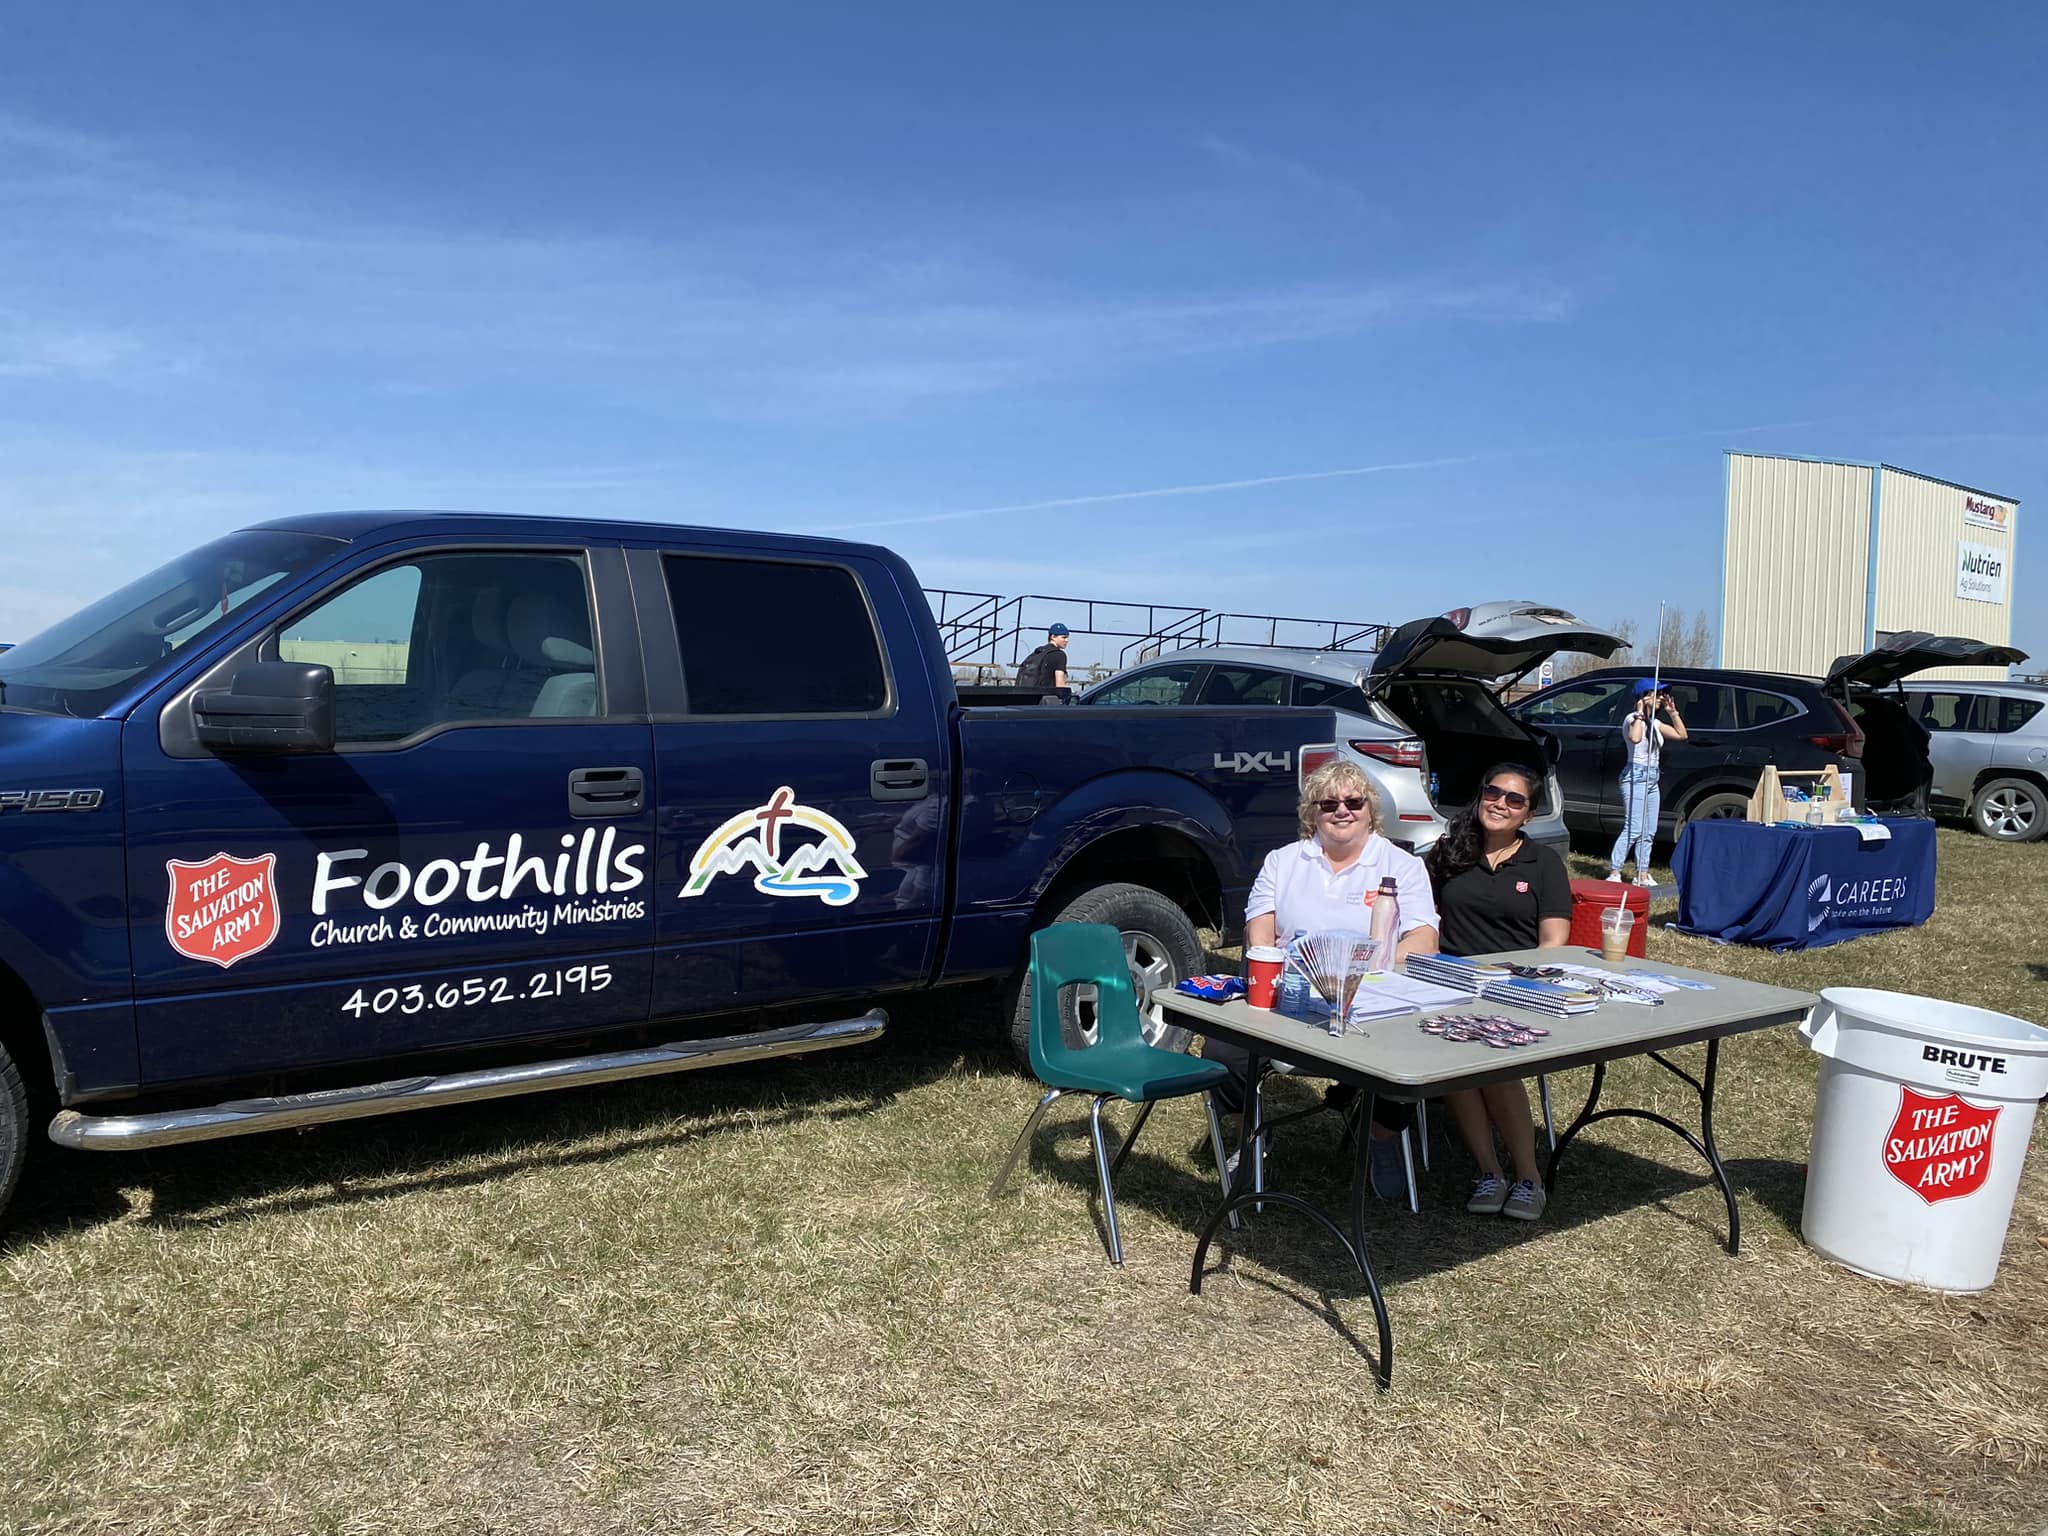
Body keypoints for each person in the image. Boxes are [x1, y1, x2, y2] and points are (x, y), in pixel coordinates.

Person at [1211, 758, 1441, 1197]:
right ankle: (1253, 1132)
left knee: (1410, 1051)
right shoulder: (1283, 861)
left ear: (1371, 810)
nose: (1342, 811)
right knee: (1223, 1050)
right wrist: (1281, 966)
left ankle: (1380, 1136)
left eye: (1353, 802)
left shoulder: (1401, 865)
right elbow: (1259, 931)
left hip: (1370, 999)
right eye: (1328, 803)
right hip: (1293, 997)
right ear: (1311, 812)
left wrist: (1368, 970)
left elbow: (1424, 939)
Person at [1424, 764, 1573, 1221]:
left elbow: (1554, 943)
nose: (1500, 804)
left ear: (1529, 814)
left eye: (1515, 799)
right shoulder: (1448, 853)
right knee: (1458, 1062)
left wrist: (1513, 985)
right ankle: (1490, 1172)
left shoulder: (1543, 863)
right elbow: (1419, 918)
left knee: (1492, 1063)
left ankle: (1529, 1178)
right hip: (1450, 987)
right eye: (1493, 792)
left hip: (1515, 989)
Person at [1608, 678, 1687, 886]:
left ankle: (1642, 874)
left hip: (1652, 778)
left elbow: (1681, 735)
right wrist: (1640, 712)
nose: (1660, 697)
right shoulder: (1632, 719)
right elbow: (1635, 738)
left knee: (1649, 830)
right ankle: (1615, 871)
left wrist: (1673, 713)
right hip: (1635, 776)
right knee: (1634, 827)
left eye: (1661, 694)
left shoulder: (1656, 723)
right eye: (1656, 694)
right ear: (1643, 697)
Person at [1014, 623, 1071, 694]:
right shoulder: (1059, 655)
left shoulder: (1038, 652)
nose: (1067, 640)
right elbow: (1060, 685)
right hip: (1048, 697)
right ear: (1053, 637)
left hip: (1029, 696)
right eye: (1064, 637)